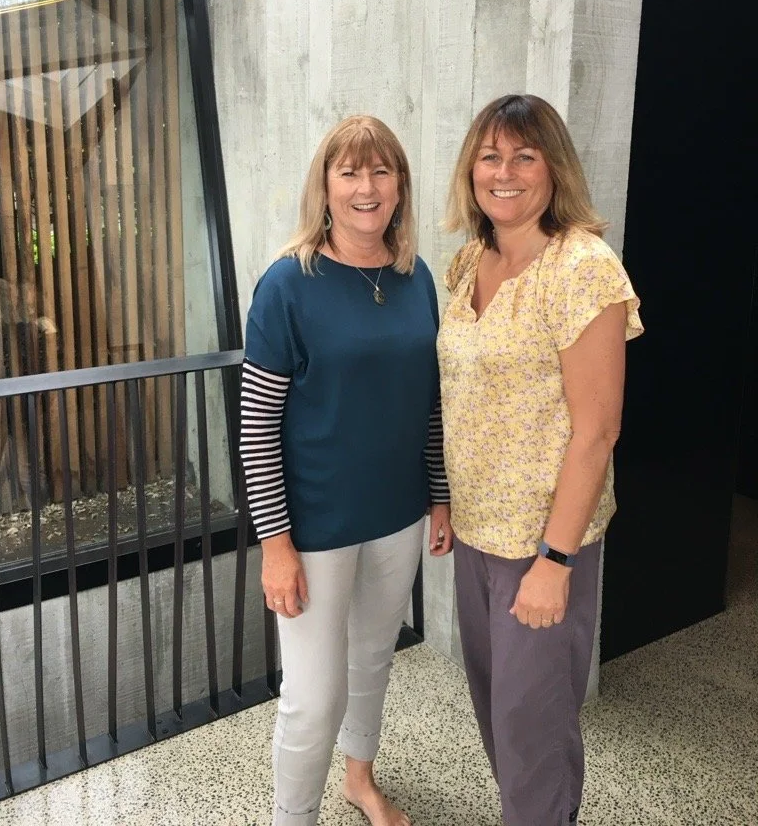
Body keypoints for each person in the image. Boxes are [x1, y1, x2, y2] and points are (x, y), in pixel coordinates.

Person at [240, 115, 452, 826]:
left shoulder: (414, 276)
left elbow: (429, 403)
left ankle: (360, 782)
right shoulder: (287, 285)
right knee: (312, 694)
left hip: (398, 513)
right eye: (350, 172)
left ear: (400, 186)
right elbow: (257, 426)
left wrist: (440, 499)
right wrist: (275, 544)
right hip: (315, 527)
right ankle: (290, 818)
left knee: (373, 660)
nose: (367, 187)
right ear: (325, 187)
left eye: (381, 171)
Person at [438, 94, 643, 826]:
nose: (506, 172)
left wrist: (554, 560)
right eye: (490, 155)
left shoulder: (582, 268)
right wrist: (444, 501)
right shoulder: (469, 260)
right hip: (476, 533)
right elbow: (461, 393)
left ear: (554, 168)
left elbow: (597, 431)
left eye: (525, 155)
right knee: (501, 713)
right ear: (471, 169)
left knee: (534, 729)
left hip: (542, 542)